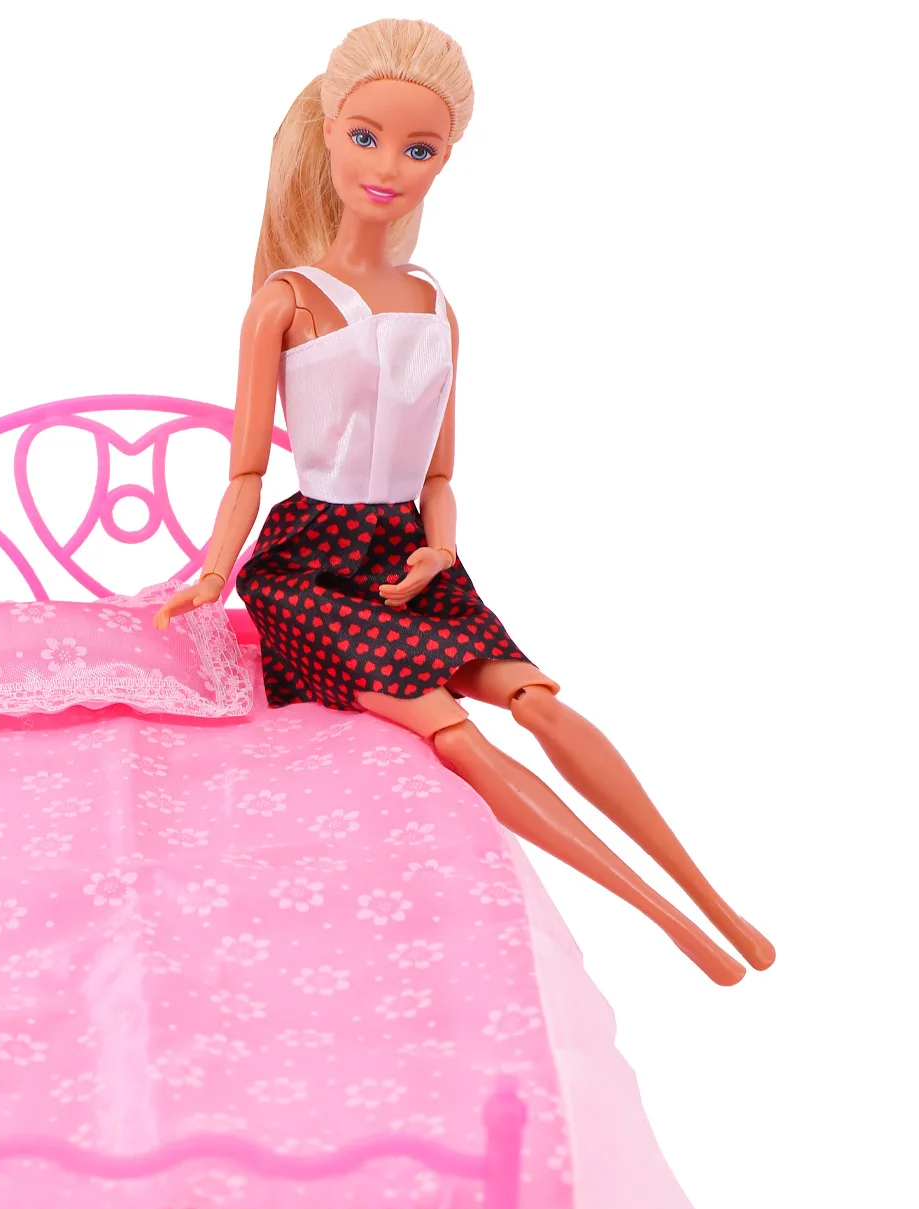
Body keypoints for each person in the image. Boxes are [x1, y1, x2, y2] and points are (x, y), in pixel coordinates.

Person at [153, 16, 772, 985]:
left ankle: (715, 899)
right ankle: (668, 923)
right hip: (309, 570)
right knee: (454, 730)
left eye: (420, 148)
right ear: (327, 130)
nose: (387, 166)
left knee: (538, 699)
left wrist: (440, 549)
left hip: (407, 549)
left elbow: (440, 473)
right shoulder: (285, 299)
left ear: (446, 158)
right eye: (366, 136)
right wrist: (210, 572)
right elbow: (246, 472)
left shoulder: (438, 303)